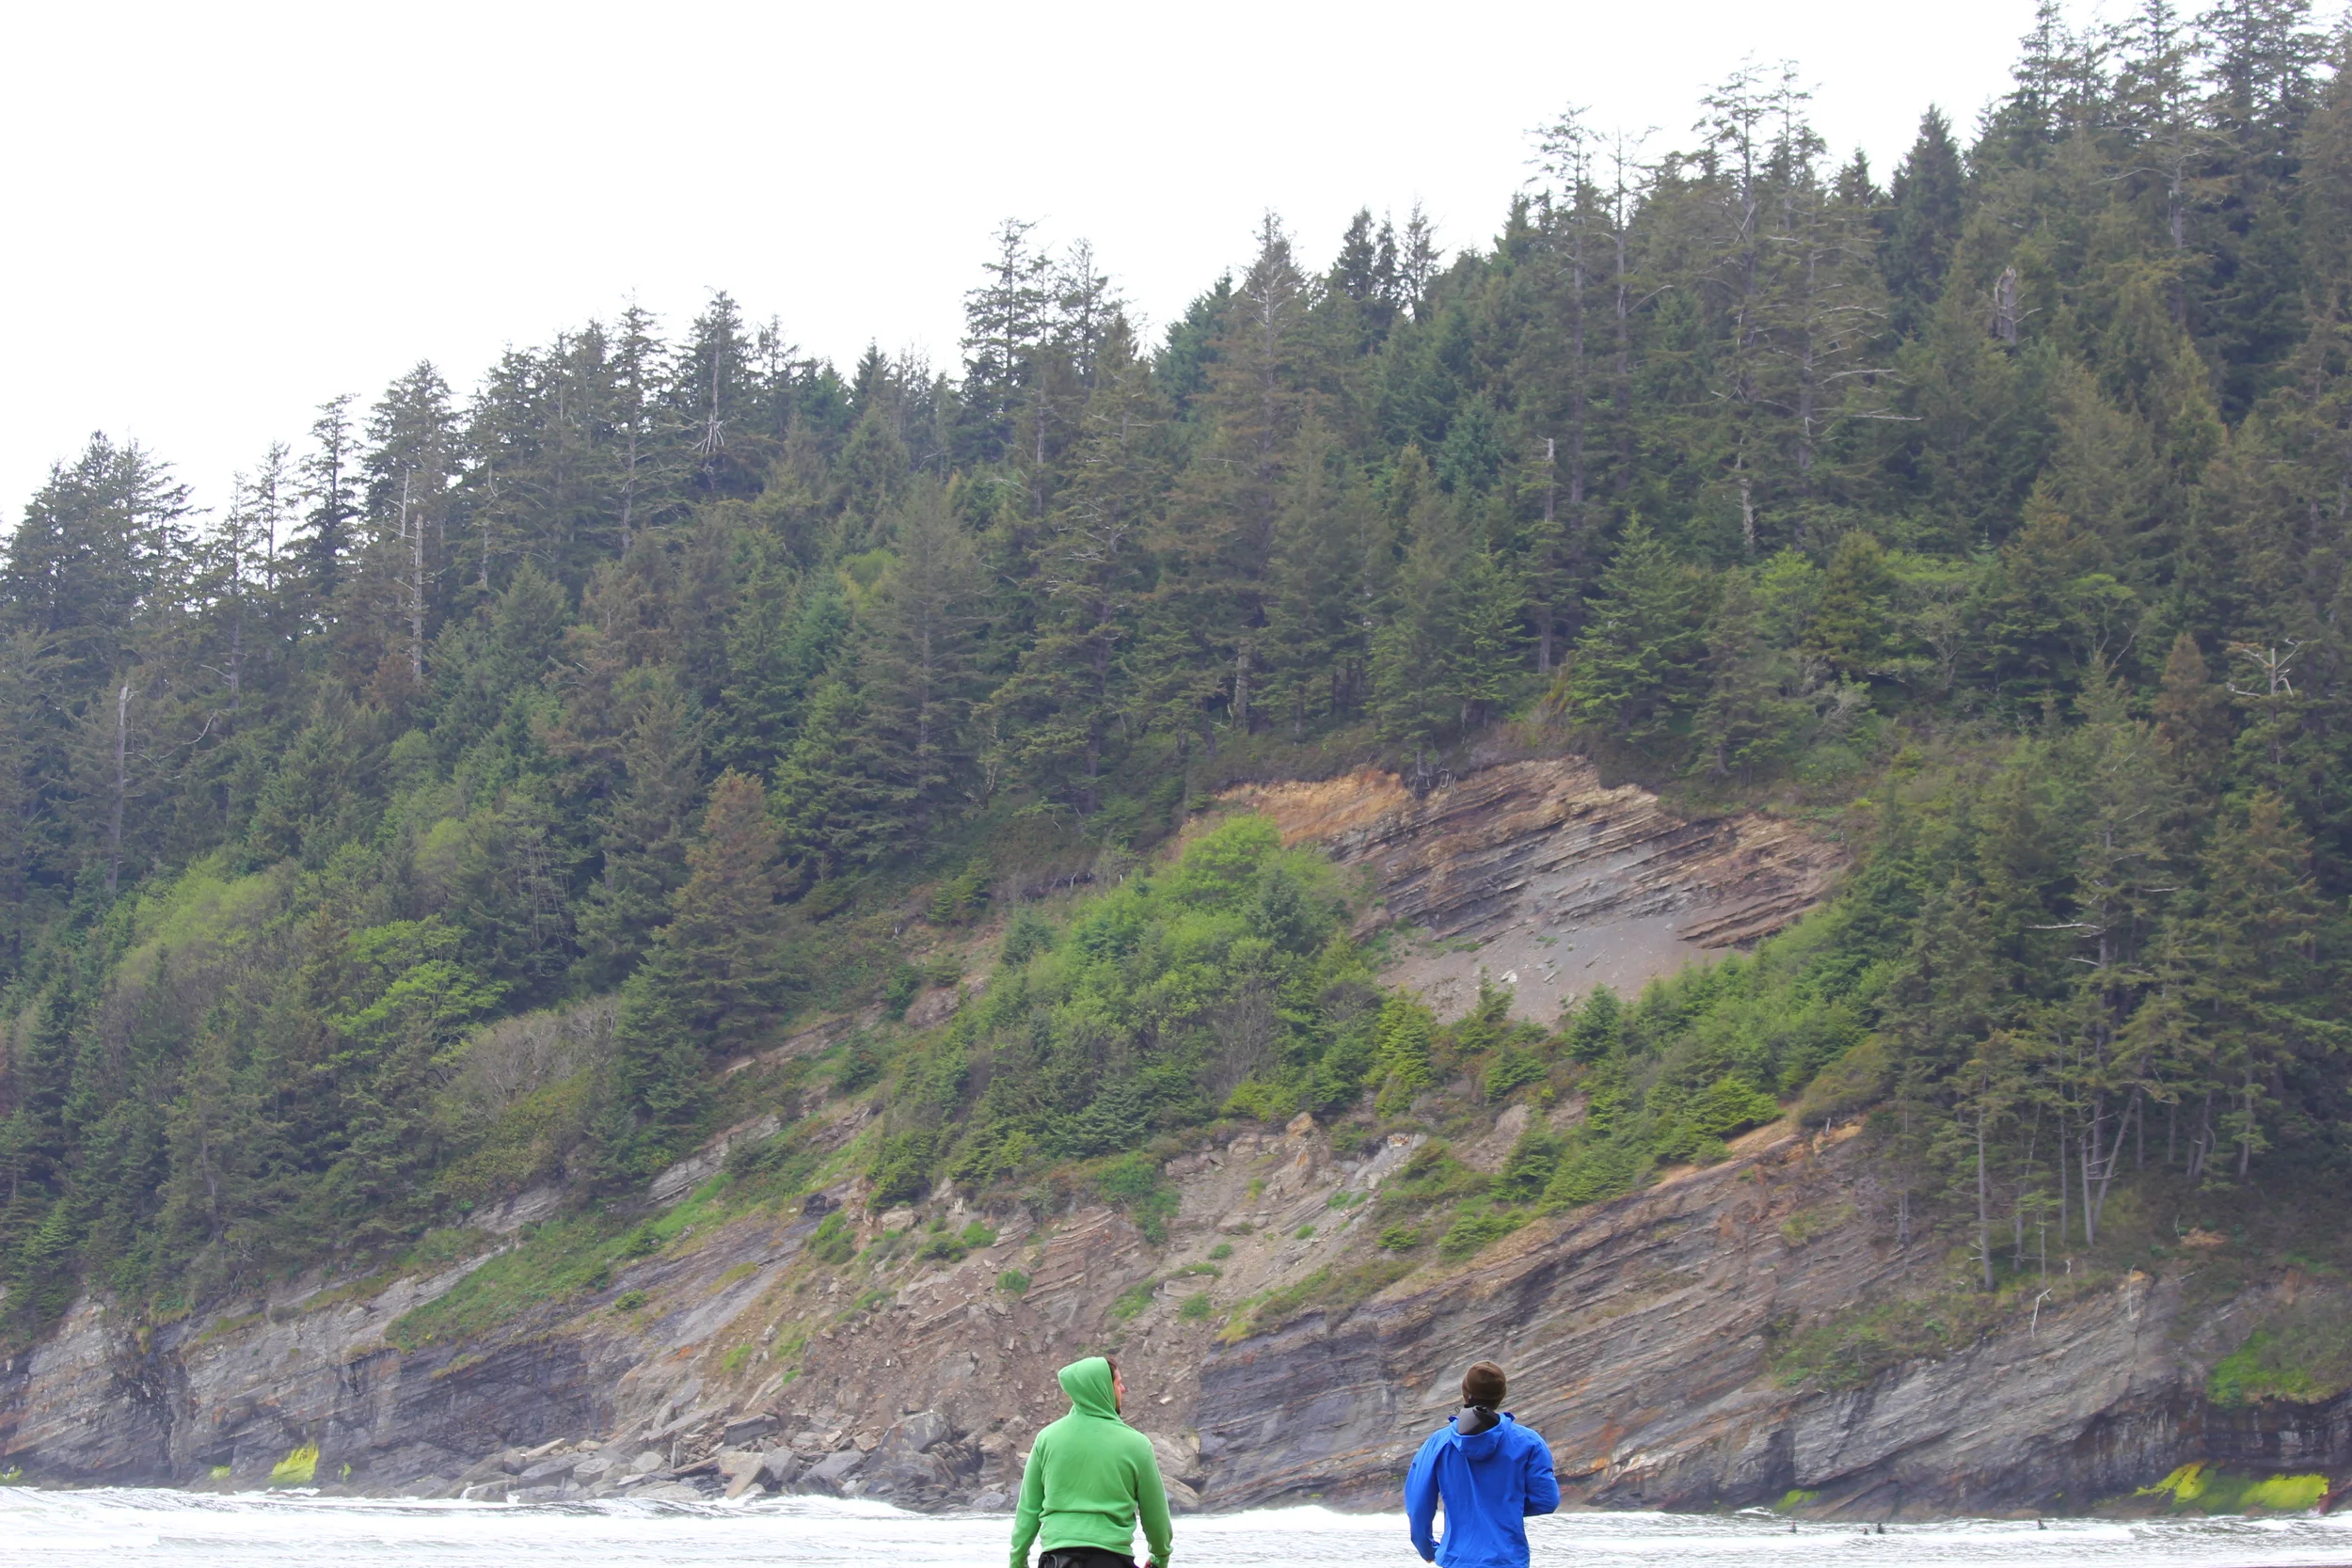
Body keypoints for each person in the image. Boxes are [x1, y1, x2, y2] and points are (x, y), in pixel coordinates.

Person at [1009, 1354, 1174, 1568]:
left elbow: (1028, 1509)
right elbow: (1155, 1514)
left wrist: (1017, 1561)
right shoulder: (1136, 1444)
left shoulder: (1047, 1439)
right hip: (1112, 1559)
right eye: (1118, 1383)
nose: (1123, 1390)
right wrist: (1160, 1558)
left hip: (1057, 1559)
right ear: (1102, 1388)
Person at [1405, 1361, 1559, 1568]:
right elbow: (1547, 1500)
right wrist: (1506, 1506)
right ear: (1501, 1395)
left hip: (1456, 1560)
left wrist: (1428, 1549)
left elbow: (1418, 1505)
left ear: (1465, 1393)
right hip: (1507, 1561)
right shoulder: (1529, 1442)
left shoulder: (1438, 1443)